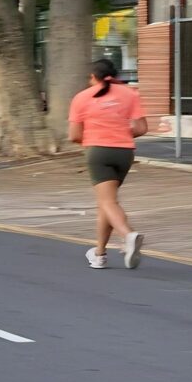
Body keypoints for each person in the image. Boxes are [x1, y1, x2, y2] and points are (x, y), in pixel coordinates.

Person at [67, 58, 148, 270]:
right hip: (125, 153)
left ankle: (128, 236)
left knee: (108, 202)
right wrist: (119, 134)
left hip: (98, 153)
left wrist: (96, 139)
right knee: (106, 202)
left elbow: (74, 135)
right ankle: (99, 254)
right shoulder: (130, 94)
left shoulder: (82, 97)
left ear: (93, 77)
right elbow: (141, 128)